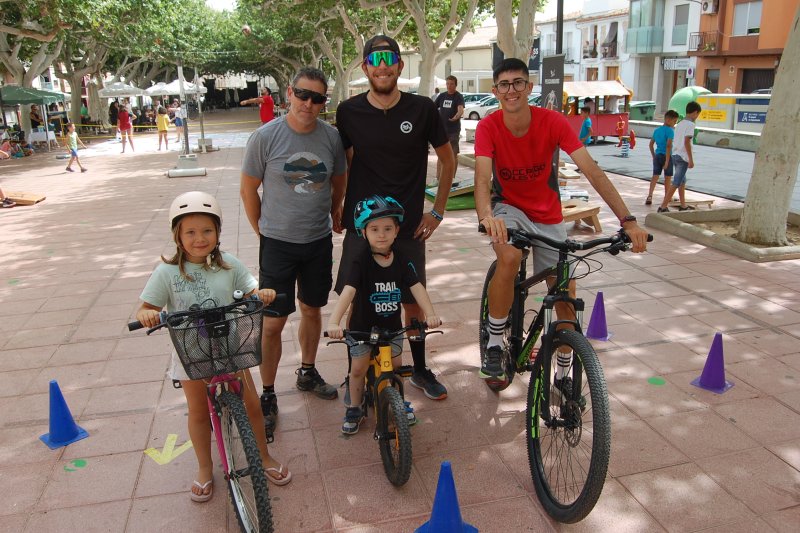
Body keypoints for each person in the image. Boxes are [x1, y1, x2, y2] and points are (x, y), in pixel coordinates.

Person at [474, 58, 648, 380]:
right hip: (508, 208)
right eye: (504, 84)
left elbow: (592, 170)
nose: (511, 90)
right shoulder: (488, 126)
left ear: (528, 87)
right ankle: (495, 342)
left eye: (518, 83)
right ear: (495, 90)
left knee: (565, 294)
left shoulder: (553, 122)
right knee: (509, 257)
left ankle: (564, 375)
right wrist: (487, 217)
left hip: (548, 214)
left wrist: (628, 221)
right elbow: (483, 178)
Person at [135, 191, 292, 502]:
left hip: (232, 348)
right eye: (190, 232)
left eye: (207, 230)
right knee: (197, 411)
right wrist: (148, 314)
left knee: (250, 403)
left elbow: (251, 290)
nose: (199, 238)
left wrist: (262, 294)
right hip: (191, 353)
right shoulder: (166, 273)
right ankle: (205, 468)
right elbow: (144, 308)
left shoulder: (229, 264)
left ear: (218, 233)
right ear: (177, 235)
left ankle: (263, 456)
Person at [334, 34, 455, 401]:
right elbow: (346, 164)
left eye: (390, 59)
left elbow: (447, 162)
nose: (383, 66)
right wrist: (336, 204)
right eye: (375, 59)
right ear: (365, 67)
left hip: (407, 226)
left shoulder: (422, 109)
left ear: (401, 66)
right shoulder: (348, 111)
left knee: (411, 300)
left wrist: (438, 210)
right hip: (361, 223)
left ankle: (418, 368)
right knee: (357, 295)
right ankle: (359, 371)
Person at [240, 67, 347, 439]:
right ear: (289, 93)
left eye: (318, 98)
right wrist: (263, 232)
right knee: (272, 322)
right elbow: (248, 190)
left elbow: (339, 178)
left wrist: (336, 208)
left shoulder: (331, 137)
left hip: (317, 242)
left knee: (312, 309)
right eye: (303, 94)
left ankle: (307, 370)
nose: (308, 103)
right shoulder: (265, 137)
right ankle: (268, 393)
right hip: (278, 245)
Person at [327, 195, 442, 434]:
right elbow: (348, 292)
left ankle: (398, 402)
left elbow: (417, 287)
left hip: (391, 328)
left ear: (397, 230)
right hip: (363, 328)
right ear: (364, 232)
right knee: (358, 368)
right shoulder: (361, 261)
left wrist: (430, 313)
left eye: (388, 228)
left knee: (396, 367)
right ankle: (355, 407)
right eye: (375, 229)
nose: (382, 234)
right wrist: (333, 321)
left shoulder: (402, 259)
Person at [660, 102, 702, 212]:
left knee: (682, 181)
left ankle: (683, 205)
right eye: (698, 114)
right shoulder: (691, 125)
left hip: (675, 154)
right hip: (683, 157)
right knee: (677, 182)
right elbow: (687, 142)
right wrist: (691, 159)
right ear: (695, 113)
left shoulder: (680, 123)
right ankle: (663, 206)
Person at [434, 75, 465, 184]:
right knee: (440, 155)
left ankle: (451, 179)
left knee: (453, 154)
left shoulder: (458, 97)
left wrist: (457, 116)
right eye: (447, 83)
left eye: (451, 84)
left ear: (455, 85)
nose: (449, 86)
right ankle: (438, 179)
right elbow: (433, 108)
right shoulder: (442, 96)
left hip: (453, 131)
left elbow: (460, 109)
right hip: (441, 130)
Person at [647, 110, 679, 211]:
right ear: (669, 120)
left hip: (657, 155)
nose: (674, 124)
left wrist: (653, 155)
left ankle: (650, 195)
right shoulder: (670, 131)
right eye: (674, 121)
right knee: (667, 178)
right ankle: (667, 197)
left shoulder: (657, 130)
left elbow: (651, 144)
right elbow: (669, 146)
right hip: (666, 156)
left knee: (655, 176)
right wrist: (667, 161)